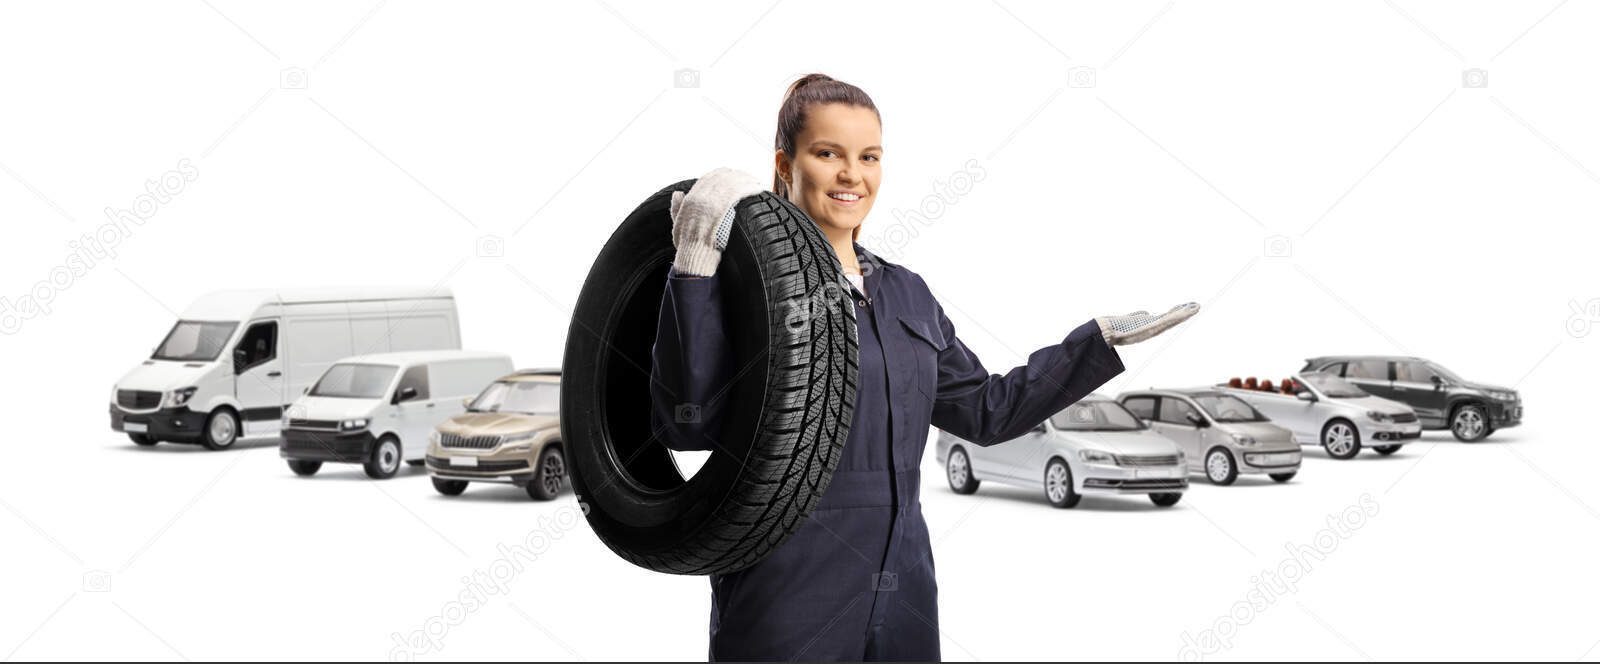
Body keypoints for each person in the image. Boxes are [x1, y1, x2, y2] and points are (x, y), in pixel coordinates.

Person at [649, 73, 1198, 662]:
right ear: (785, 163)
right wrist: (695, 273)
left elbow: (988, 412)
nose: (851, 175)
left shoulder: (906, 293)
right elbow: (688, 425)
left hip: (903, 576)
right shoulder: (737, 280)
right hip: (785, 578)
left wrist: (1095, 345)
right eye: (827, 153)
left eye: (869, 157)